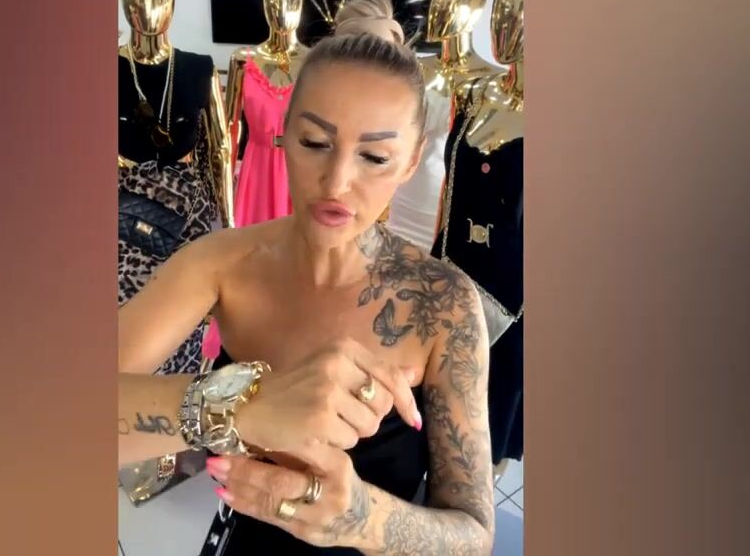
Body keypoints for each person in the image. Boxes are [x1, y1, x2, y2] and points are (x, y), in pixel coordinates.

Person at [118, 28, 495, 554]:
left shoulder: (443, 305)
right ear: (283, 133)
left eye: (375, 157)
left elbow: (474, 536)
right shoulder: (222, 263)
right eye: (315, 143)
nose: (336, 182)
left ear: (411, 162)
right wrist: (240, 405)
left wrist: (362, 519)